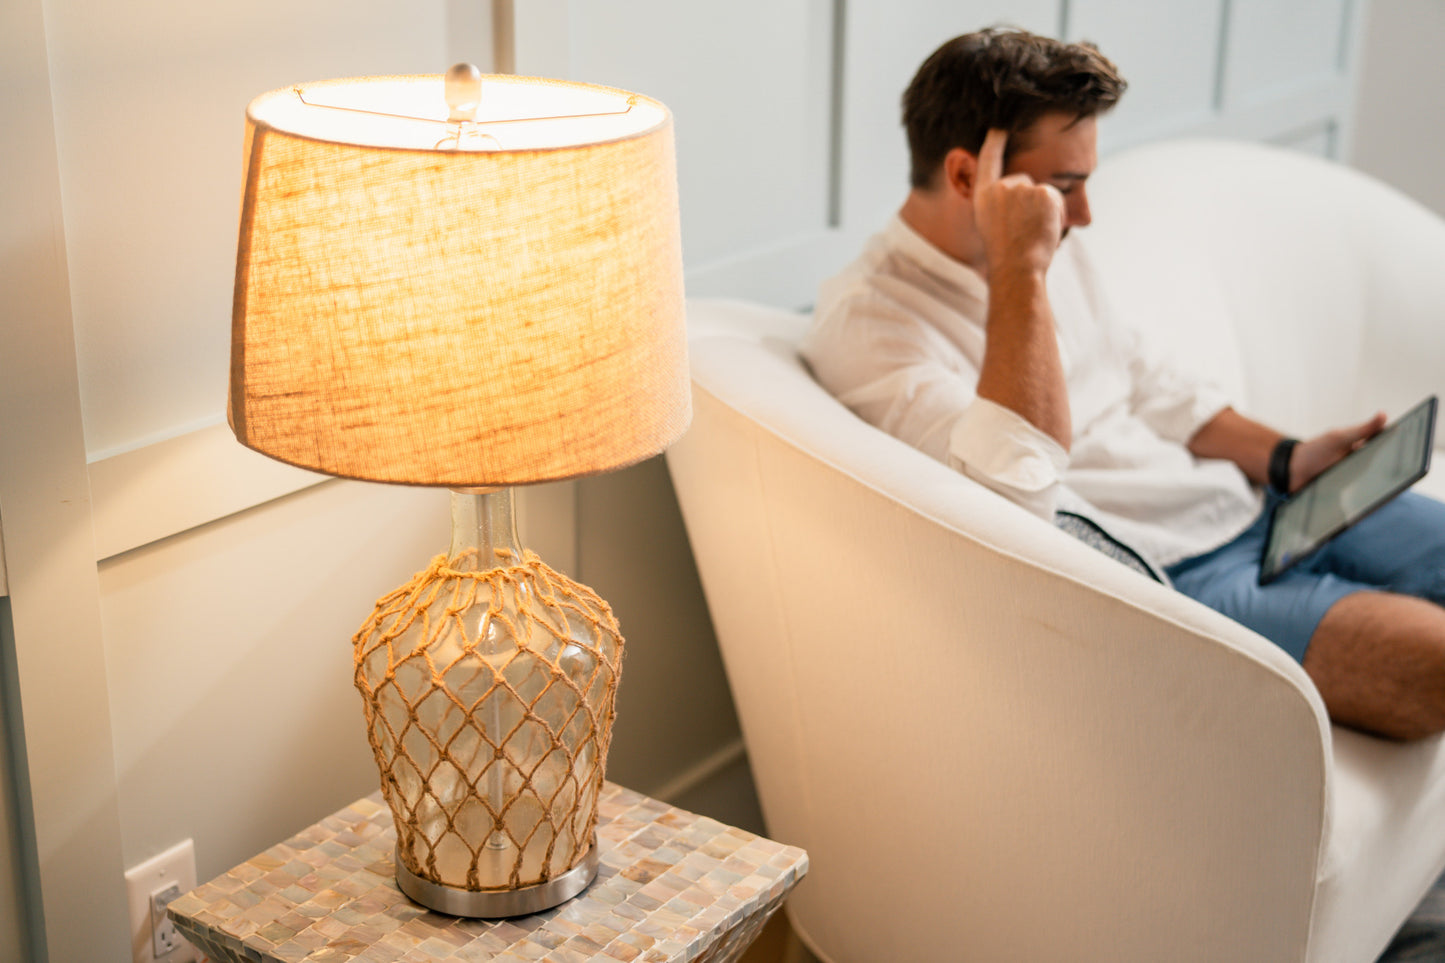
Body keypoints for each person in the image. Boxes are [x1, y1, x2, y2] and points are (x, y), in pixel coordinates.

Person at [802, 27, 1445, 740]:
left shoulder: (1056, 243)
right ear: (967, 177)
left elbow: (1148, 380)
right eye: (1065, 188)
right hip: (1181, 582)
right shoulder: (871, 324)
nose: (1082, 215)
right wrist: (1021, 263)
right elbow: (1013, 488)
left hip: (1263, 507)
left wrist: (1288, 456)